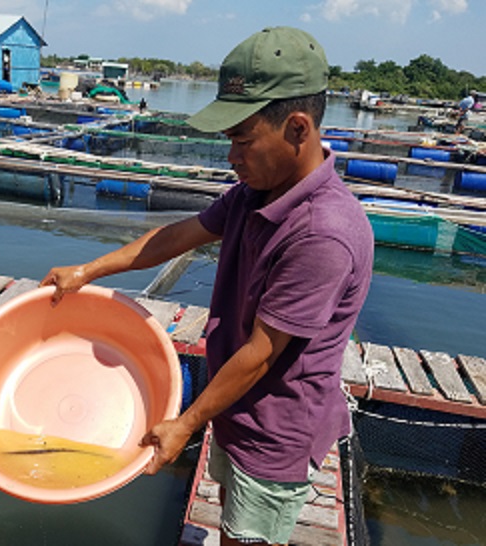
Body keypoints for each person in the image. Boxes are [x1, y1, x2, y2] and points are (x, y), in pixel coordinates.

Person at [40, 26, 373, 546]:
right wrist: (88, 271)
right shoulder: (253, 191)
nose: (231, 156)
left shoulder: (323, 234)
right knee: (230, 521)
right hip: (235, 406)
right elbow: (178, 235)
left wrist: (187, 422)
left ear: (298, 128)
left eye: (242, 140)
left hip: (276, 429)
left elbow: (263, 353)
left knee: (249, 535)